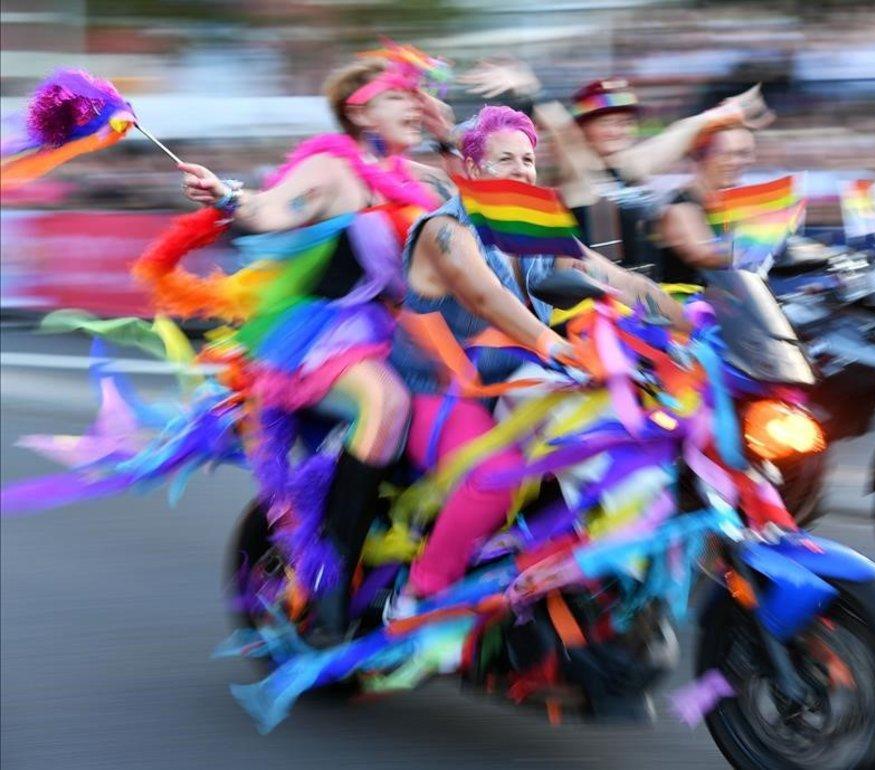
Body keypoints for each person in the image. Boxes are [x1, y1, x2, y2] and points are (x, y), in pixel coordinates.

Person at [174, 53, 454, 640]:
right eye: (400, 95)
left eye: (418, 96)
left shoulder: (416, 177)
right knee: (387, 404)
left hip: (399, 330)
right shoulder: (333, 169)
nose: (415, 104)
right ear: (361, 109)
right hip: (326, 339)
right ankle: (332, 578)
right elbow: (274, 207)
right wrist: (228, 196)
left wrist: (452, 137)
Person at [388, 105, 684, 610]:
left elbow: (610, 277)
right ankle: (418, 593)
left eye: (527, 159)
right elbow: (487, 299)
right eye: (506, 159)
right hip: (441, 391)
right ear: (475, 168)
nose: (522, 170)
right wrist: (557, 348)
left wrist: (689, 320)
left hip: (514, 384)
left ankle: (581, 572)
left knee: (616, 434)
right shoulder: (445, 230)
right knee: (495, 477)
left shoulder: (535, 230)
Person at [460, 62, 772, 272]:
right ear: (584, 129)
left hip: (643, 305)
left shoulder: (632, 165)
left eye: (624, 122)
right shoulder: (578, 168)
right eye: (606, 122)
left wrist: (723, 114)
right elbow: (559, 127)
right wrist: (527, 88)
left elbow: (681, 133)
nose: (617, 130)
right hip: (592, 314)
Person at [656, 125, 758, 285]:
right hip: (688, 304)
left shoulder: (739, 199)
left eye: (743, 154)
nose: (736, 162)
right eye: (725, 154)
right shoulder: (679, 208)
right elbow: (704, 255)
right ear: (701, 156)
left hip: (733, 298)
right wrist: (764, 247)